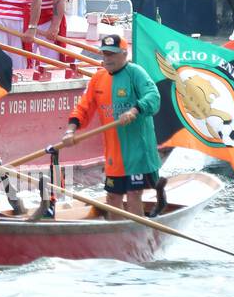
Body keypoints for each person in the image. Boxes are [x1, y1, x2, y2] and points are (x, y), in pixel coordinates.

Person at [61, 33, 162, 218]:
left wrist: (134, 110)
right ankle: (117, 236)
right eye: (105, 54)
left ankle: (136, 235)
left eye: (112, 54)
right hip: (114, 155)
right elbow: (83, 108)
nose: (107, 58)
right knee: (113, 197)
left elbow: (153, 97)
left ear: (124, 54)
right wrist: (70, 130)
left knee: (133, 195)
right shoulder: (98, 79)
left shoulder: (136, 73)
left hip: (138, 153)